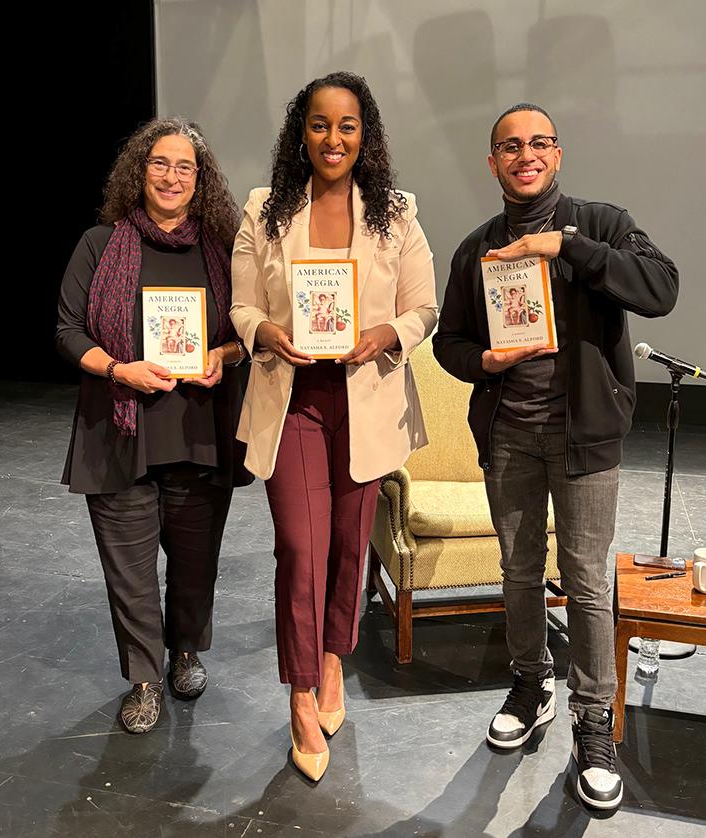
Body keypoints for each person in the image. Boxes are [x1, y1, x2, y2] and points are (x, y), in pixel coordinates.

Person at [433, 103, 678, 810]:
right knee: (517, 570)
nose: (525, 155)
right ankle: (530, 682)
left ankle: (594, 722)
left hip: (585, 437)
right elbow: (449, 342)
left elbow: (661, 288)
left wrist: (566, 248)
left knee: (587, 582)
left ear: (557, 154)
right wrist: (484, 360)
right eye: (510, 146)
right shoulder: (477, 248)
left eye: (538, 143)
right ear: (493, 163)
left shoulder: (600, 224)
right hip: (509, 433)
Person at [232, 71, 437, 781]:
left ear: (364, 135)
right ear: (301, 132)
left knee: (350, 546)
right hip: (293, 399)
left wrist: (387, 333)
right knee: (300, 547)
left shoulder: (396, 213)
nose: (333, 138)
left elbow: (423, 308)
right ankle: (299, 694)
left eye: (347, 125)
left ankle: (329, 659)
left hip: (367, 400)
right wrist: (264, 332)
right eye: (319, 124)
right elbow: (241, 306)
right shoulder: (264, 210)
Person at [56, 117, 252, 734]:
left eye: (184, 166)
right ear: (139, 172)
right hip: (119, 431)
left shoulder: (223, 250)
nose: (171, 176)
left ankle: (185, 649)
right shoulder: (100, 244)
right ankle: (144, 678)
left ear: (201, 179)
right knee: (130, 572)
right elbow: (68, 331)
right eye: (159, 163)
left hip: (200, 432)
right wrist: (120, 370)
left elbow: (247, 331)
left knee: (195, 563)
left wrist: (222, 356)